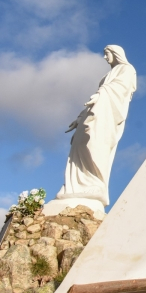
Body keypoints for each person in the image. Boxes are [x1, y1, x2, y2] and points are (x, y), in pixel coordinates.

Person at [57, 45, 137, 206]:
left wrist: (101, 93)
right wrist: (80, 117)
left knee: (95, 143)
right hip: (95, 109)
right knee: (79, 144)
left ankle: (95, 184)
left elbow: (120, 89)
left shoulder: (127, 69)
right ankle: (75, 186)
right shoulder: (110, 73)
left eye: (107, 54)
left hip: (106, 112)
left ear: (116, 54)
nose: (105, 58)